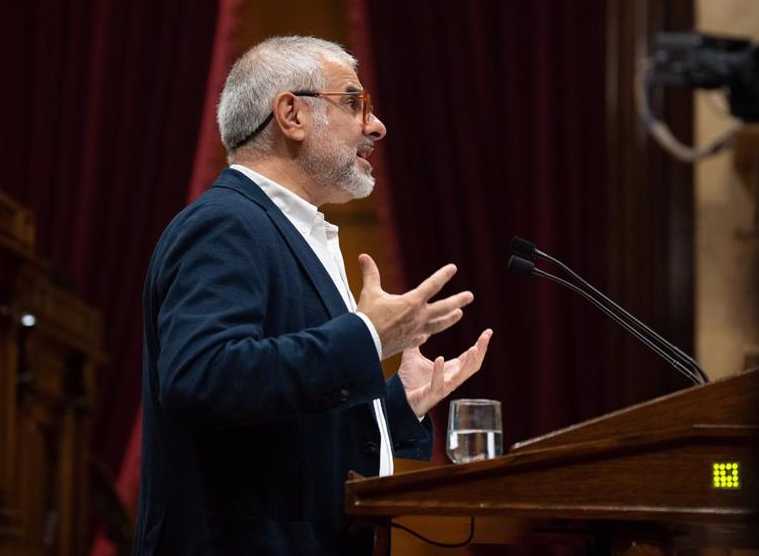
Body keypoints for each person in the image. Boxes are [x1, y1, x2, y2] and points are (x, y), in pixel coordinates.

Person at [133, 36, 493, 555]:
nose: (376, 126)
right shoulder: (226, 224)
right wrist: (366, 338)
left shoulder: (284, 228)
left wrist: (394, 406)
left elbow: (277, 432)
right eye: (355, 102)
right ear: (292, 114)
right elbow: (202, 375)